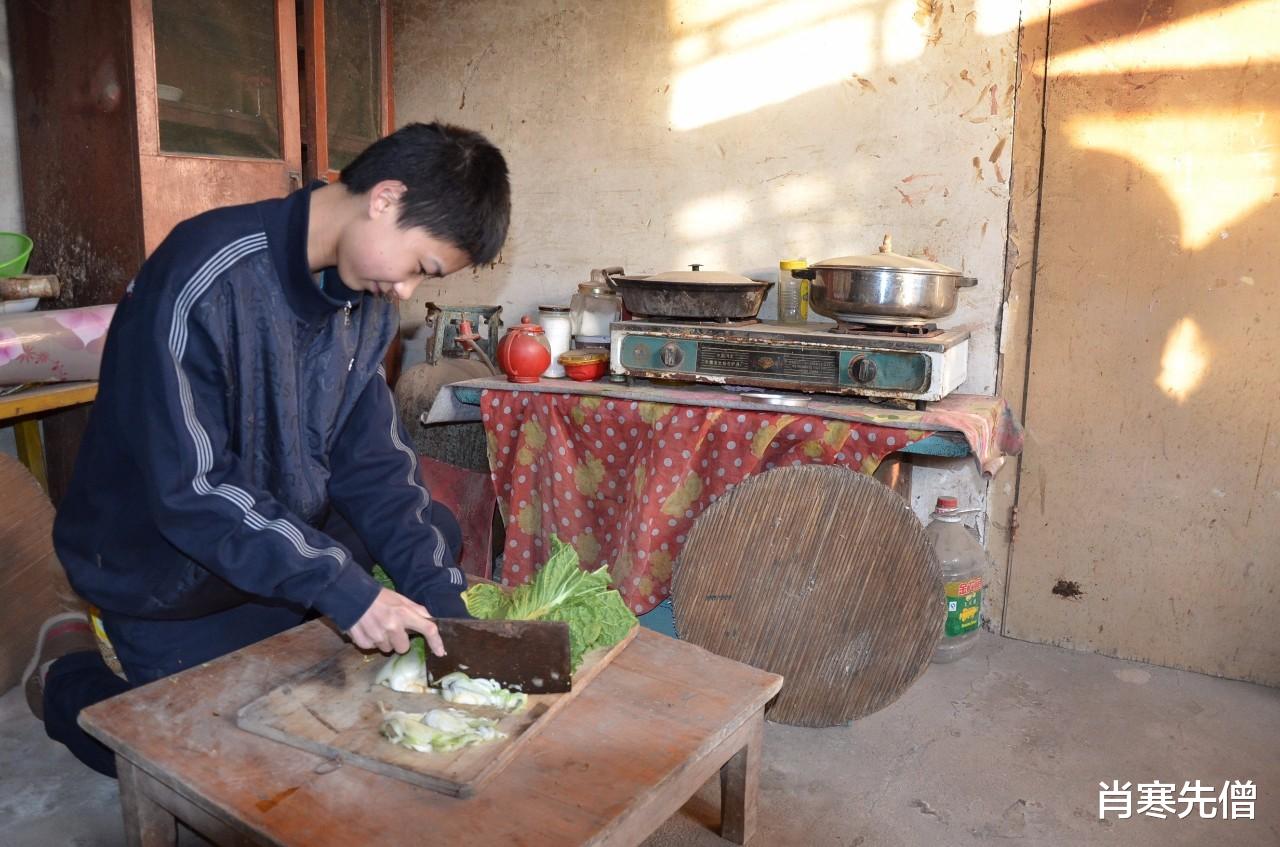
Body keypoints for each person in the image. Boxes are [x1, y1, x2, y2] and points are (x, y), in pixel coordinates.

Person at [22, 121, 511, 778]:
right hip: (167, 566)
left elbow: (374, 466)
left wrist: (453, 618)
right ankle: (66, 678)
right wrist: (345, 589)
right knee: (218, 766)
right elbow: (192, 491)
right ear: (385, 199)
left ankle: (314, 613)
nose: (406, 292)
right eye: (420, 268)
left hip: (271, 540)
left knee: (433, 540)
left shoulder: (364, 302)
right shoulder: (202, 275)